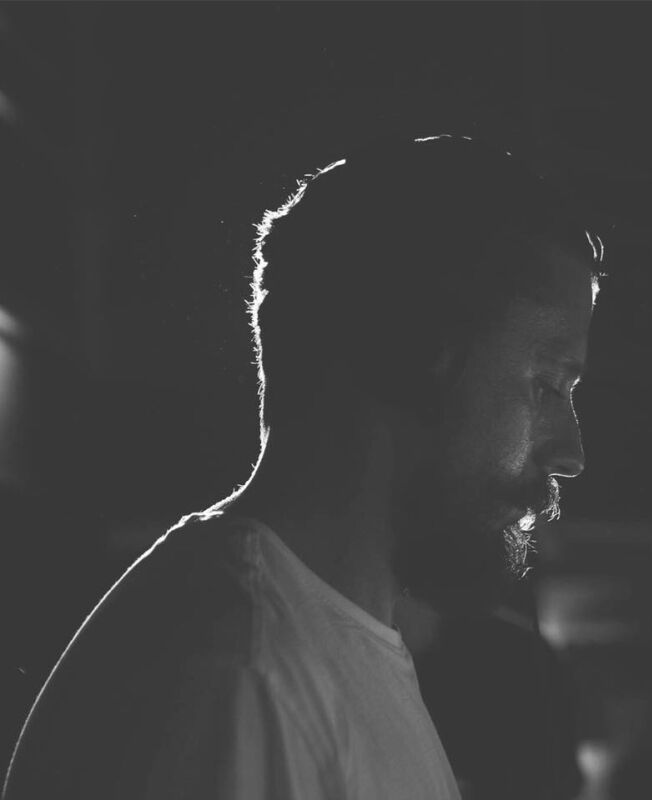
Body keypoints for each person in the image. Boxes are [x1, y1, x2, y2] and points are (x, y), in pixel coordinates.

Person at [3, 135, 603, 799]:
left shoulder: (313, 643)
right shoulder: (244, 673)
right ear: (419, 351)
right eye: (549, 383)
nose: (571, 452)